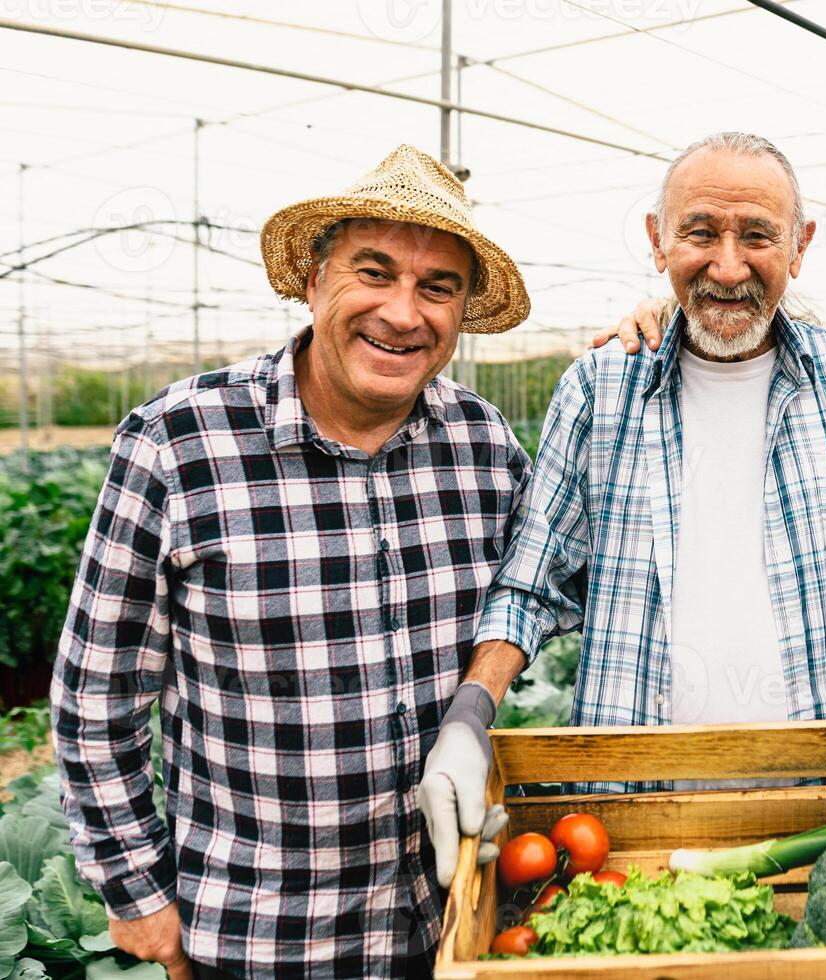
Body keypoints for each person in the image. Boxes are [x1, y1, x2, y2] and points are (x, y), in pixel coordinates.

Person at [52, 145, 530, 978]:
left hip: (449, 923)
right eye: (372, 272)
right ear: (313, 279)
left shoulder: (483, 444)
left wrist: (475, 706)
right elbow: (98, 697)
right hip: (262, 939)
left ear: (460, 313)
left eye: (437, 287)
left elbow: (540, 589)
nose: (403, 312)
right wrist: (138, 897)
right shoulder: (180, 441)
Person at [459, 132, 826, 796]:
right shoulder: (600, 392)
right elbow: (530, 584)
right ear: (658, 239)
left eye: (757, 236)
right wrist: (471, 713)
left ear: (799, 246)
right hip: (633, 817)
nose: (726, 267)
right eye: (700, 234)